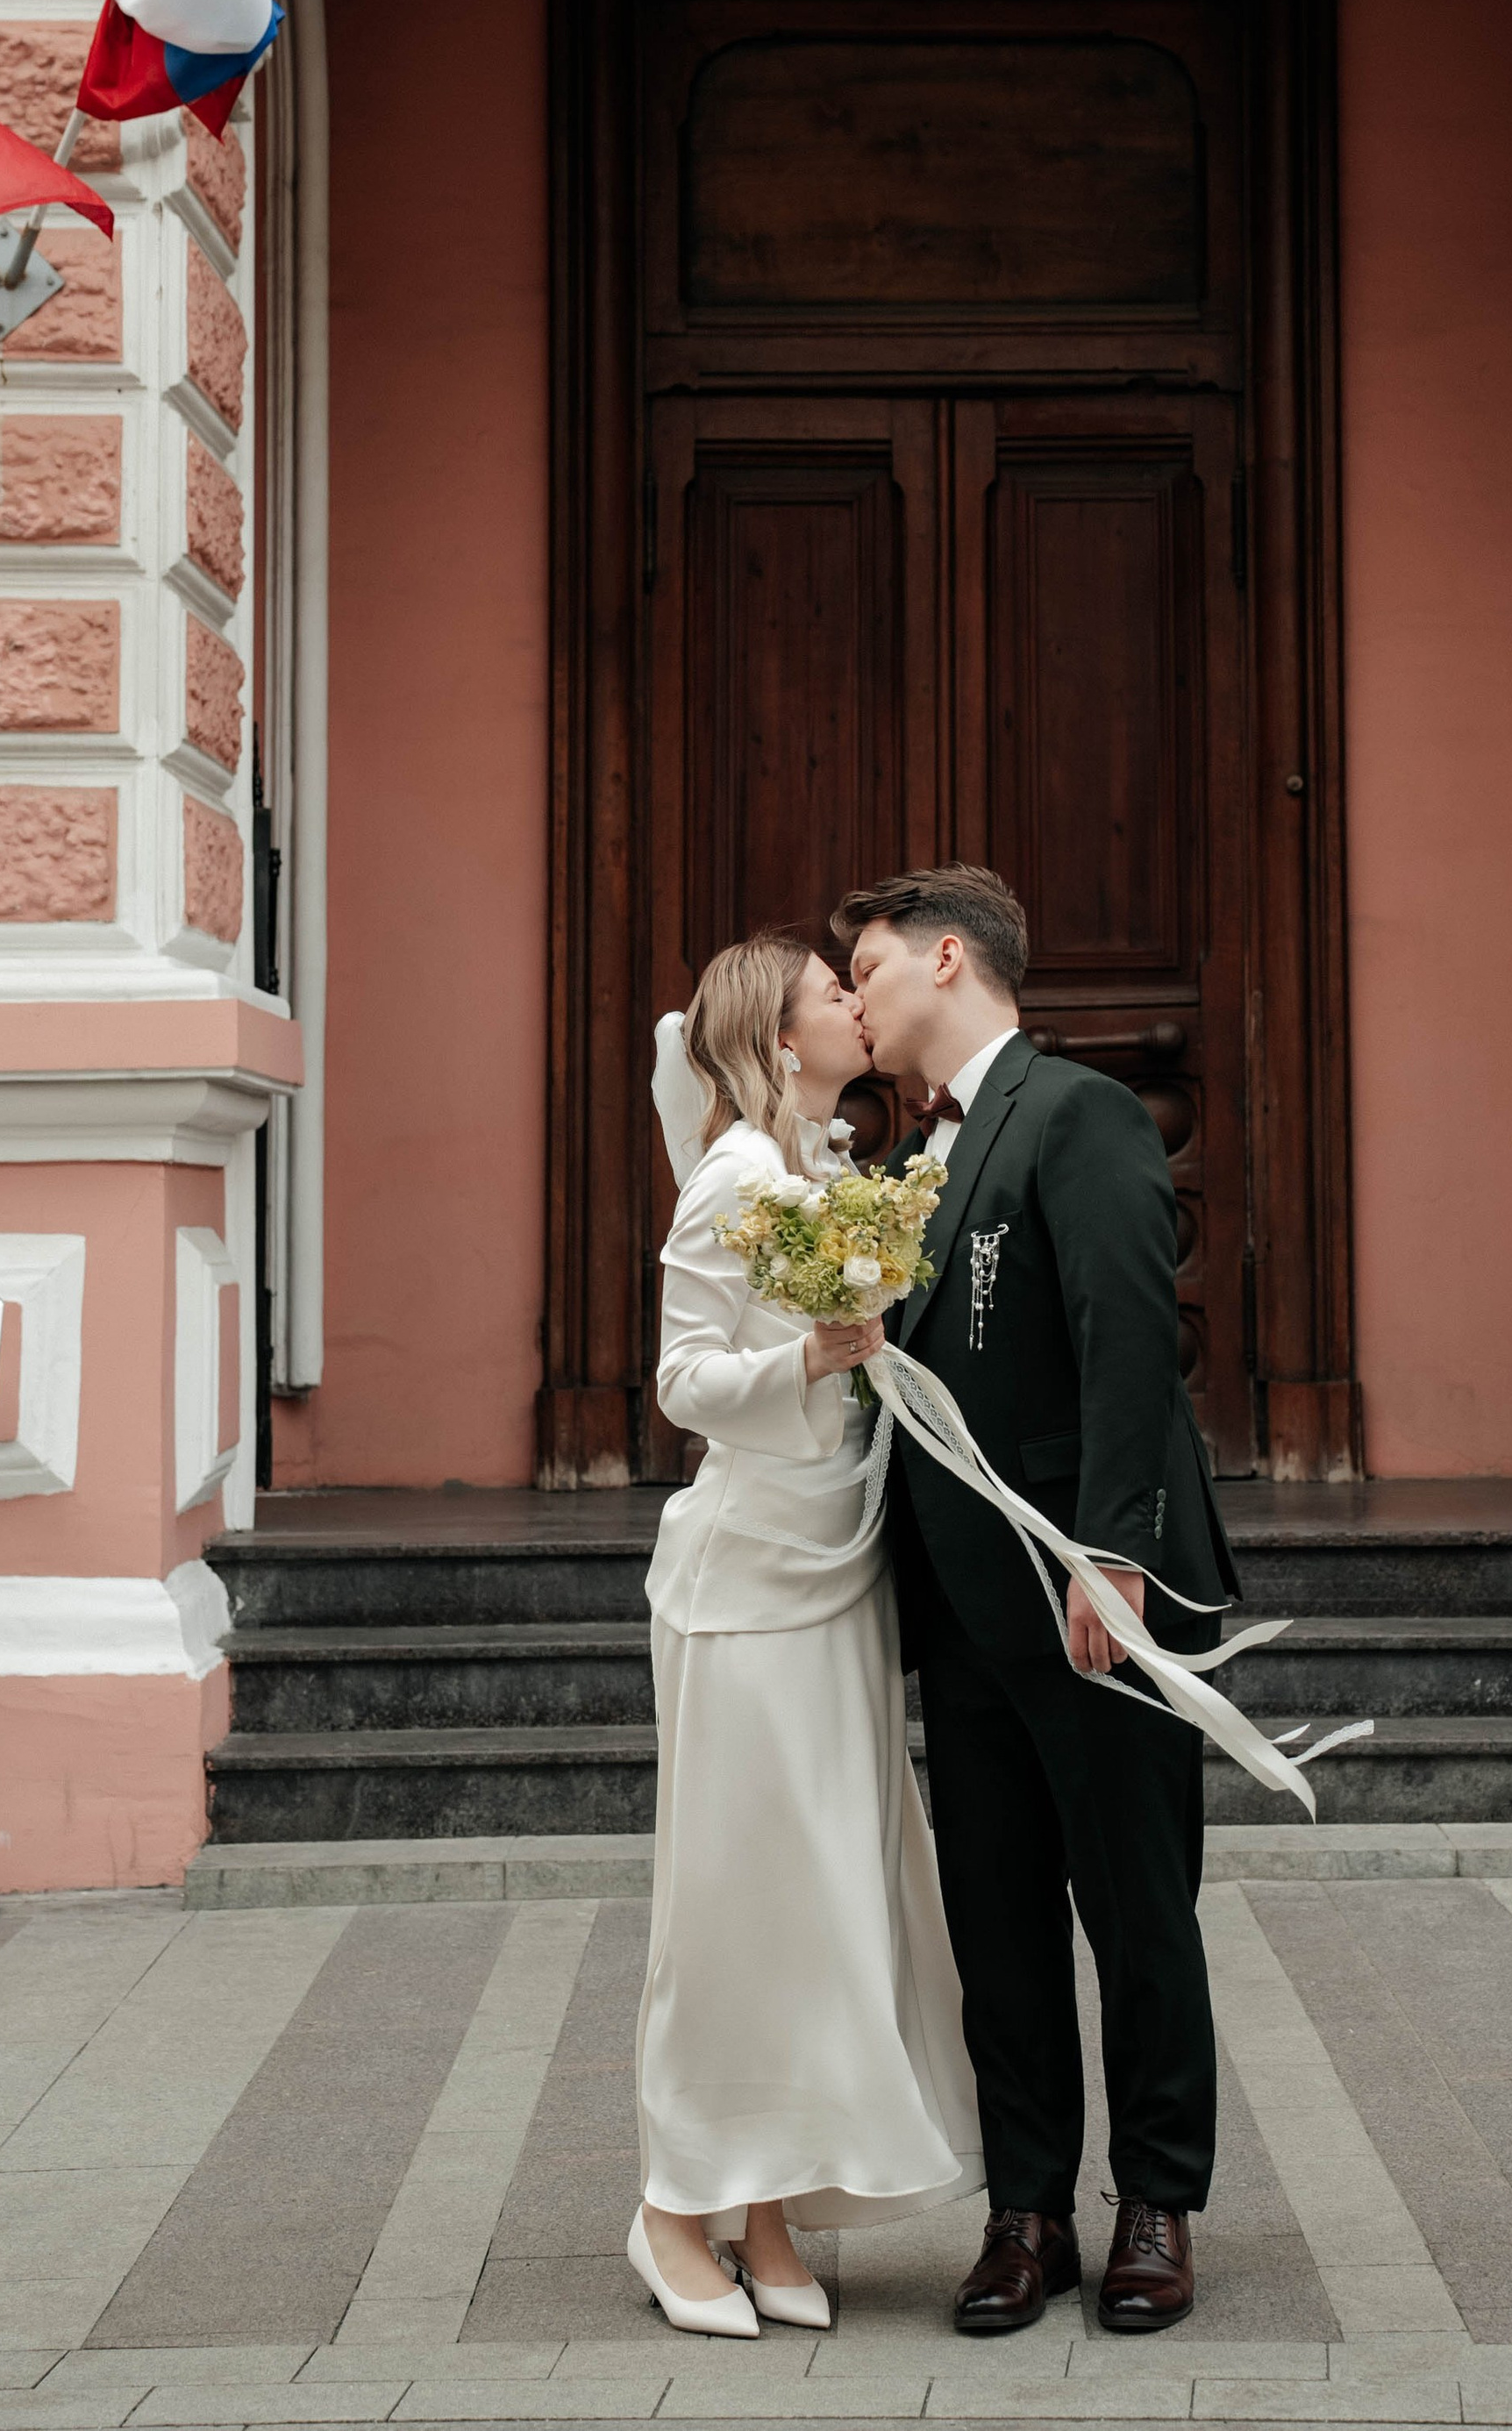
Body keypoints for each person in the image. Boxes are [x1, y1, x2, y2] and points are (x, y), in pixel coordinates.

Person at [835, 864, 1238, 2340]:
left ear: (951, 957)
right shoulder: (907, 1161)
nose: (855, 996)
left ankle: (1157, 2202)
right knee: (996, 1915)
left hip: (1092, 1593)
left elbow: (1128, 1333)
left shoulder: (1076, 1114)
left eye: (868, 966)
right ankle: (1025, 2213)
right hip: (961, 1607)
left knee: (1137, 1905)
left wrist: (1114, 1554)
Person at [631, 930, 981, 2340]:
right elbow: (682, 1379)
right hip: (749, 1589)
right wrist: (813, 1356)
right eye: (832, 993)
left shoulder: (825, 1170)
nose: (855, 999)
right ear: (780, 1040)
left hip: (838, 1577)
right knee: (735, 1905)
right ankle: (672, 2207)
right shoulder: (737, 1175)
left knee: (819, 1901)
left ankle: (769, 2211)